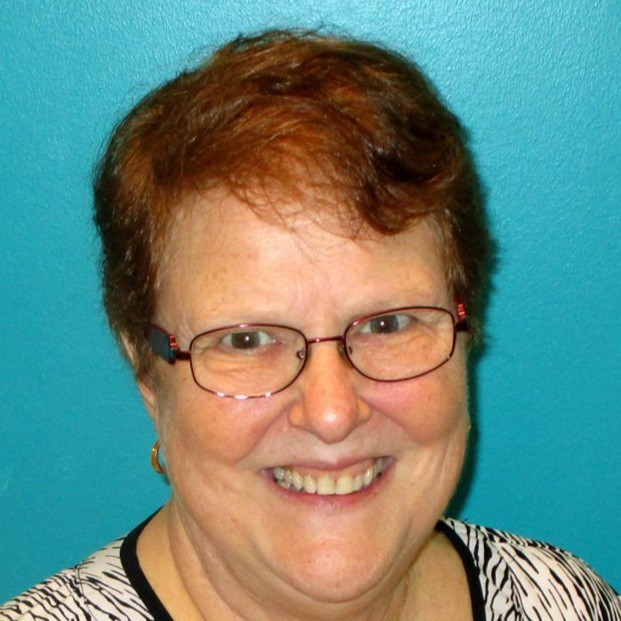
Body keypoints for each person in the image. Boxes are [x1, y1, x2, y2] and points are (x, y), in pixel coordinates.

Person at [1, 29, 619, 621]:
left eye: (388, 324)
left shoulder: (566, 602)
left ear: (466, 328)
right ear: (146, 372)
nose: (331, 413)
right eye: (247, 340)